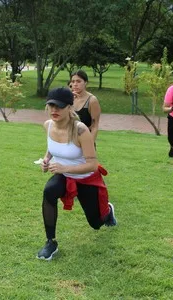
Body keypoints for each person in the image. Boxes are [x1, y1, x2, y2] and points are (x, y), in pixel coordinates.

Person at [37, 87, 117, 261]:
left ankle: (108, 211)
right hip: (63, 176)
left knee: (96, 223)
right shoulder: (48, 125)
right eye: (50, 106)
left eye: (59, 106)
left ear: (69, 108)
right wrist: (46, 160)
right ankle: (50, 242)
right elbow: (51, 149)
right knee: (49, 191)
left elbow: (93, 165)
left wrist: (64, 168)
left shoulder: (80, 130)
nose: (54, 110)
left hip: (86, 178)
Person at [70, 70, 101, 142]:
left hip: (85, 141)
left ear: (85, 83)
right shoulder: (69, 98)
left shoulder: (92, 100)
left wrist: (90, 144)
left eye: (78, 81)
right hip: (70, 141)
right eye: (73, 81)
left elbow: (94, 127)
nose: (75, 84)